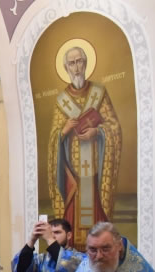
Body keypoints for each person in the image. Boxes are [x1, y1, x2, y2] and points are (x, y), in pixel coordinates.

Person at [48, 46, 122, 249]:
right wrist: (63, 131)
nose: (76, 67)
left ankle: (99, 248)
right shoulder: (61, 100)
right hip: (73, 176)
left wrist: (97, 132)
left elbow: (114, 126)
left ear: (86, 63)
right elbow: (54, 140)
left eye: (80, 61)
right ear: (66, 67)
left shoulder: (99, 93)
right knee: (73, 216)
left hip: (94, 174)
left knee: (96, 216)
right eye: (72, 63)